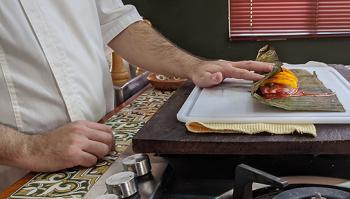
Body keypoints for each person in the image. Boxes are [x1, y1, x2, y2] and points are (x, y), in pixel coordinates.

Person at [0, 0, 273, 190]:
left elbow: (119, 23)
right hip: (13, 174)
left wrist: (194, 66)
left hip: (98, 153)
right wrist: (28, 148)